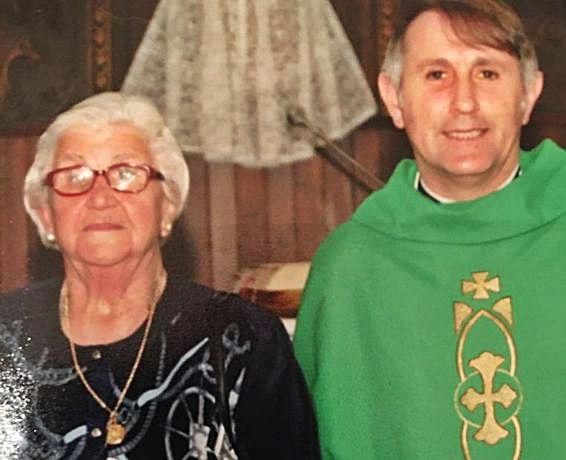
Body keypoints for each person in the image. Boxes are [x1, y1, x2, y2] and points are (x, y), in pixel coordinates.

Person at [292, 0, 566, 458]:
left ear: (528, 95)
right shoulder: (351, 266)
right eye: (437, 74)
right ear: (395, 98)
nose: (464, 102)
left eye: (488, 73)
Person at [0, 92, 320, 459]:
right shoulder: (5, 336)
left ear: (167, 205)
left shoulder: (241, 338)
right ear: (45, 215)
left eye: (126, 173)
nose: (100, 197)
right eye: (75, 176)